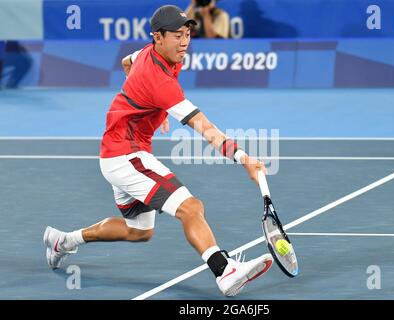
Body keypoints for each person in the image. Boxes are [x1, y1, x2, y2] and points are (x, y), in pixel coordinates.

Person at [43, 4, 273, 297]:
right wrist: (244, 159)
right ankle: (224, 271)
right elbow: (205, 127)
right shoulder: (161, 83)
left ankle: (63, 241)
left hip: (116, 154)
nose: (185, 41)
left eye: (187, 33)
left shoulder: (147, 53)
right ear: (158, 37)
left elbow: (127, 63)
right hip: (127, 155)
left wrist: (149, 104)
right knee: (191, 207)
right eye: (177, 35)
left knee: (139, 231)